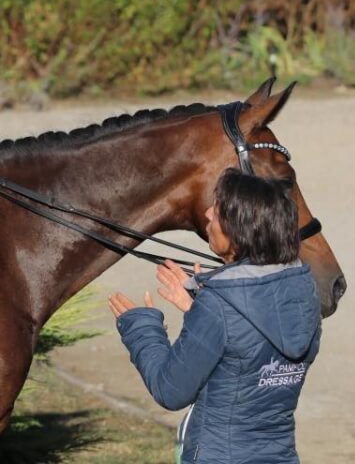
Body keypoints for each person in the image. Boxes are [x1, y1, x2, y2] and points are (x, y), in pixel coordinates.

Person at [108, 168, 321, 464]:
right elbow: (250, 350)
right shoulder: (303, 291)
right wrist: (203, 309)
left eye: (218, 211)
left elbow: (170, 390)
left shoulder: (219, 307)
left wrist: (142, 328)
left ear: (240, 230)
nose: (208, 214)